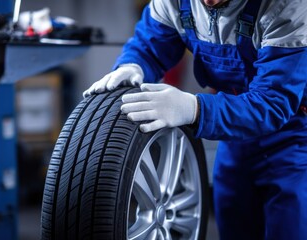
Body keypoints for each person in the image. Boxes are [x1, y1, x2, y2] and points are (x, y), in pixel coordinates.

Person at [84, 0, 307, 239]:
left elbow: (271, 104)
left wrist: (196, 109)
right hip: (236, 139)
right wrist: (133, 66)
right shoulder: (172, 3)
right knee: (233, 219)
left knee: (290, 227)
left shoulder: (287, 7)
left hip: (296, 139)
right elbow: (150, 46)